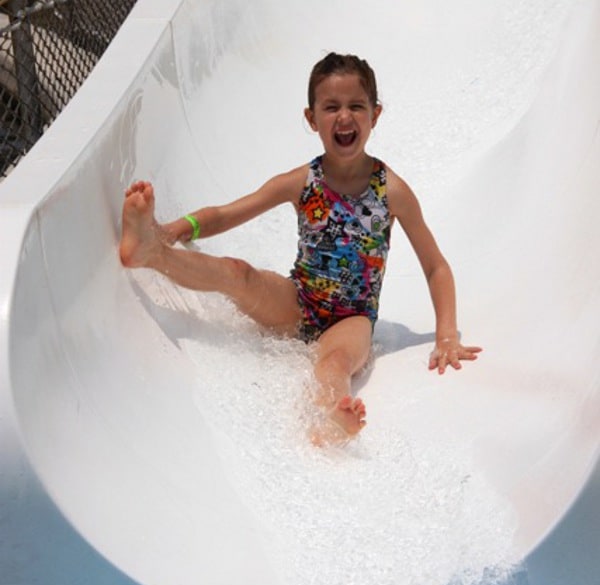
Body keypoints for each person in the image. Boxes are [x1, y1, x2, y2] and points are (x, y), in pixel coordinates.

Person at [119, 52, 481, 445]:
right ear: (312, 119)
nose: (344, 117)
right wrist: (176, 228)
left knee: (335, 362)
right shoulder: (302, 182)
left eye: (356, 106)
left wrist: (446, 336)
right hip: (299, 300)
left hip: (352, 318)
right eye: (331, 107)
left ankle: (331, 415)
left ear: (375, 115)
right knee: (239, 273)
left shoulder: (391, 191)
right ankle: (153, 252)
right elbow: (228, 213)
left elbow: (435, 267)